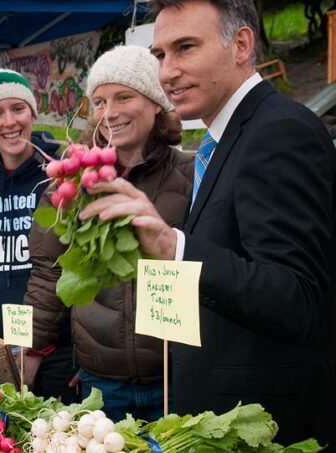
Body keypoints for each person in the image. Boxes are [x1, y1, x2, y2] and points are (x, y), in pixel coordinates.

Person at [80, 0, 336, 445]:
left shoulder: (278, 132)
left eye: (185, 48)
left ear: (240, 45)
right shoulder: (223, 139)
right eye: (160, 55)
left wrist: (174, 248)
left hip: (271, 425)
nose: (167, 72)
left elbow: (297, 298)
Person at [23, 45, 193, 421]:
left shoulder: (194, 174)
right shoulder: (71, 183)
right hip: (103, 380)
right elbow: (49, 272)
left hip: (177, 376)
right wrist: (30, 351)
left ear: (155, 102)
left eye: (123, 97)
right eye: (99, 101)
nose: (109, 112)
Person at [0, 69, 76, 401]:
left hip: (58, 347)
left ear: (33, 113)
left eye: (18, 109)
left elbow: (79, 265)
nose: (10, 122)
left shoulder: (62, 173)